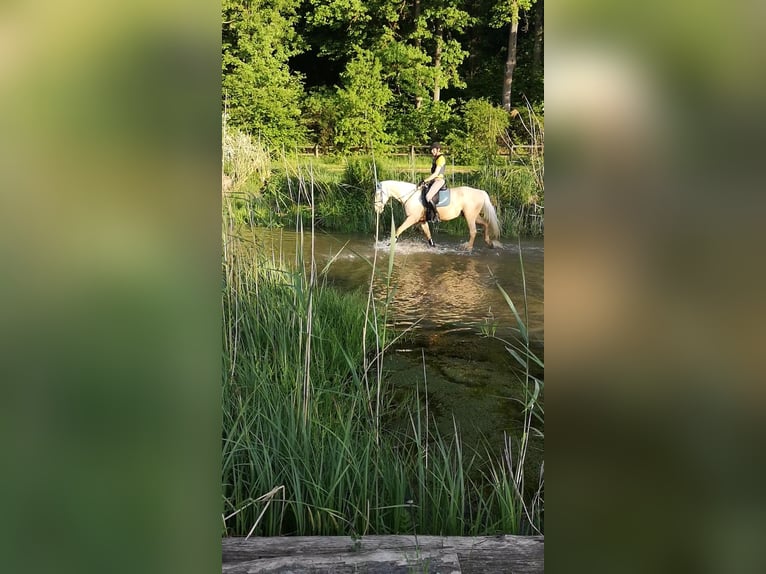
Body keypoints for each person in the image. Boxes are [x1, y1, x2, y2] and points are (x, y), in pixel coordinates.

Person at [419, 142, 446, 223]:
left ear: (438, 149)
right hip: (434, 180)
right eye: (431, 150)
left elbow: (435, 174)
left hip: (439, 180)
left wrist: (425, 180)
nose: (432, 152)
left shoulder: (441, 158)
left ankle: (436, 215)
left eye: (433, 150)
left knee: (428, 196)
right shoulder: (436, 158)